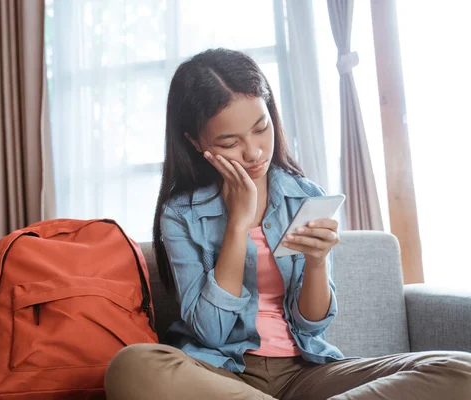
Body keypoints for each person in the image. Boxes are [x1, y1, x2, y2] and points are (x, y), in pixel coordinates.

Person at [104, 48, 471, 400]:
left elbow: (312, 326)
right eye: (230, 142)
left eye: (261, 128)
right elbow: (212, 333)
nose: (254, 152)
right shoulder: (181, 213)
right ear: (196, 142)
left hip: (305, 372)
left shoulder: (305, 195)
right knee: (133, 367)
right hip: (219, 375)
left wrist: (316, 262)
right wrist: (237, 225)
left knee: (460, 371)